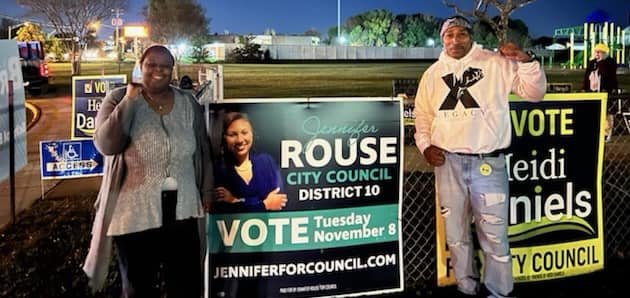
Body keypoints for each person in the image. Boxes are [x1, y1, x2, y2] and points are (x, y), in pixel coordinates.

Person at [414, 16, 546, 298]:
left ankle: (499, 292)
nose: (455, 40)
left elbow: (535, 93)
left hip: (488, 162)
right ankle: (466, 288)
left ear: (471, 36)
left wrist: (526, 60)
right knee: (456, 236)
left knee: (495, 237)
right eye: (449, 35)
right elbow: (423, 117)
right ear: (442, 38)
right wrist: (425, 146)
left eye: (461, 34)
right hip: (448, 164)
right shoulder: (433, 74)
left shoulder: (495, 63)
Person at [83, 44, 213, 297]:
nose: (158, 70)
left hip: (183, 209)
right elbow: (107, 145)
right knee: (138, 286)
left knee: (186, 283)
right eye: (151, 64)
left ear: (172, 69)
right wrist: (130, 102)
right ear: (140, 66)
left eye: (165, 65)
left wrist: (206, 190)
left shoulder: (188, 103)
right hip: (134, 211)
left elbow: (204, 151)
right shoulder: (118, 98)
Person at [214, 112, 287, 213]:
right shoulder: (219, 169)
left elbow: (279, 201)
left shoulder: (266, 162)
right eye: (232, 135)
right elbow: (225, 210)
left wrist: (235, 200)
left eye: (244, 132)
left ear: (252, 133)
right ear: (224, 138)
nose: (240, 140)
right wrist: (265, 204)